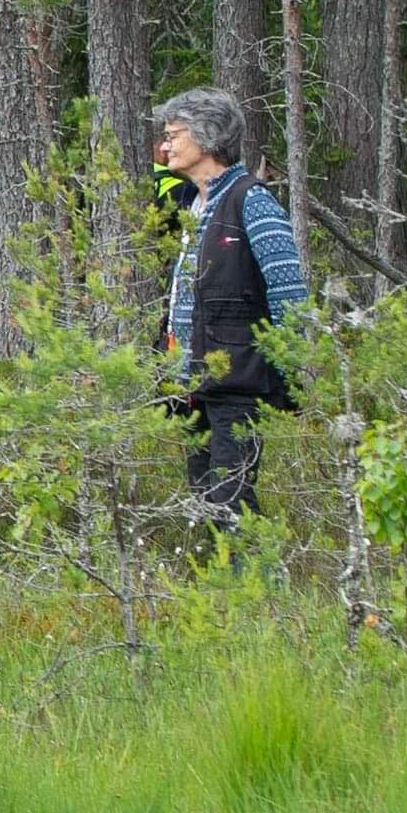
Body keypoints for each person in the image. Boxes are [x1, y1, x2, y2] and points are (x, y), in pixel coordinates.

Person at [150, 87, 308, 522]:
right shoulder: (189, 205)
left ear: (207, 137)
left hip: (239, 378)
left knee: (229, 496)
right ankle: (229, 587)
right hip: (193, 382)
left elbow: (289, 291)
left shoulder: (252, 201)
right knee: (205, 495)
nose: (165, 146)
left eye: (173, 135)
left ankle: (262, 584)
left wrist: (293, 374)